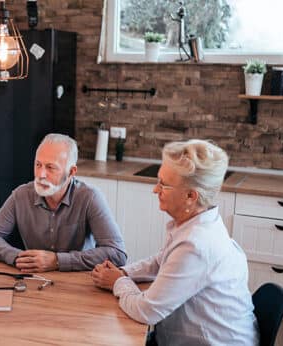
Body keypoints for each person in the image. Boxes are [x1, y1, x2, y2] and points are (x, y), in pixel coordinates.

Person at [91, 139, 259, 346]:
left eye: (163, 184)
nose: (155, 190)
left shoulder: (196, 244)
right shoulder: (197, 223)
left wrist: (117, 282)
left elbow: (147, 311)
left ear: (190, 196)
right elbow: (162, 260)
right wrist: (125, 272)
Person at [0, 133, 127, 272]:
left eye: (50, 168)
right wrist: (18, 257)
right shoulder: (21, 195)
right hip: (34, 280)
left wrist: (57, 261)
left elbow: (117, 253)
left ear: (71, 172)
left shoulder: (90, 197)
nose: (41, 174)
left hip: (79, 283)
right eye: (38, 165)